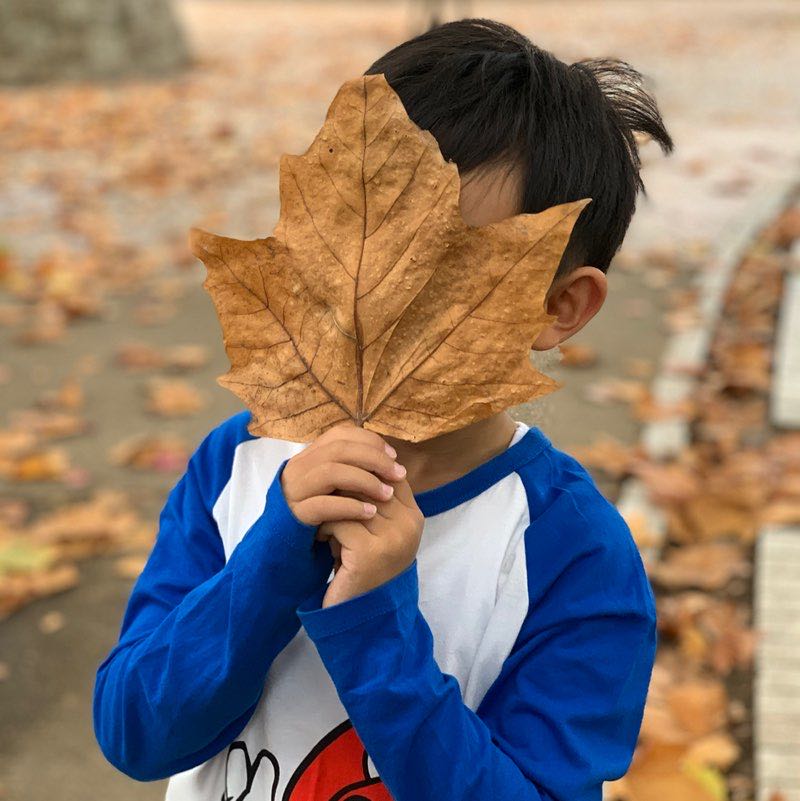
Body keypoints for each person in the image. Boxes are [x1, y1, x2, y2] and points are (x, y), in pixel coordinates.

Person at [93, 18, 673, 801]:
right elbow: (134, 732)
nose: (371, 303)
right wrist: (269, 562)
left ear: (558, 305)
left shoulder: (571, 553)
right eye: (350, 244)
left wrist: (376, 628)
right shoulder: (238, 466)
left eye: (436, 267)